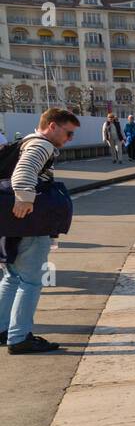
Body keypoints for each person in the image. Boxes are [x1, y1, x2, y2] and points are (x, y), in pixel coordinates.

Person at [0, 108, 80, 354]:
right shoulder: (41, 145)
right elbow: (24, 172)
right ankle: (19, 337)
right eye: (68, 133)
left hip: (14, 224)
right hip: (29, 223)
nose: (70, 139)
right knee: (32, 280)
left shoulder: (25, 140)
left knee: (13, 276)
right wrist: (24, 199)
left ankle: (4, 328)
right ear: (52, 126)